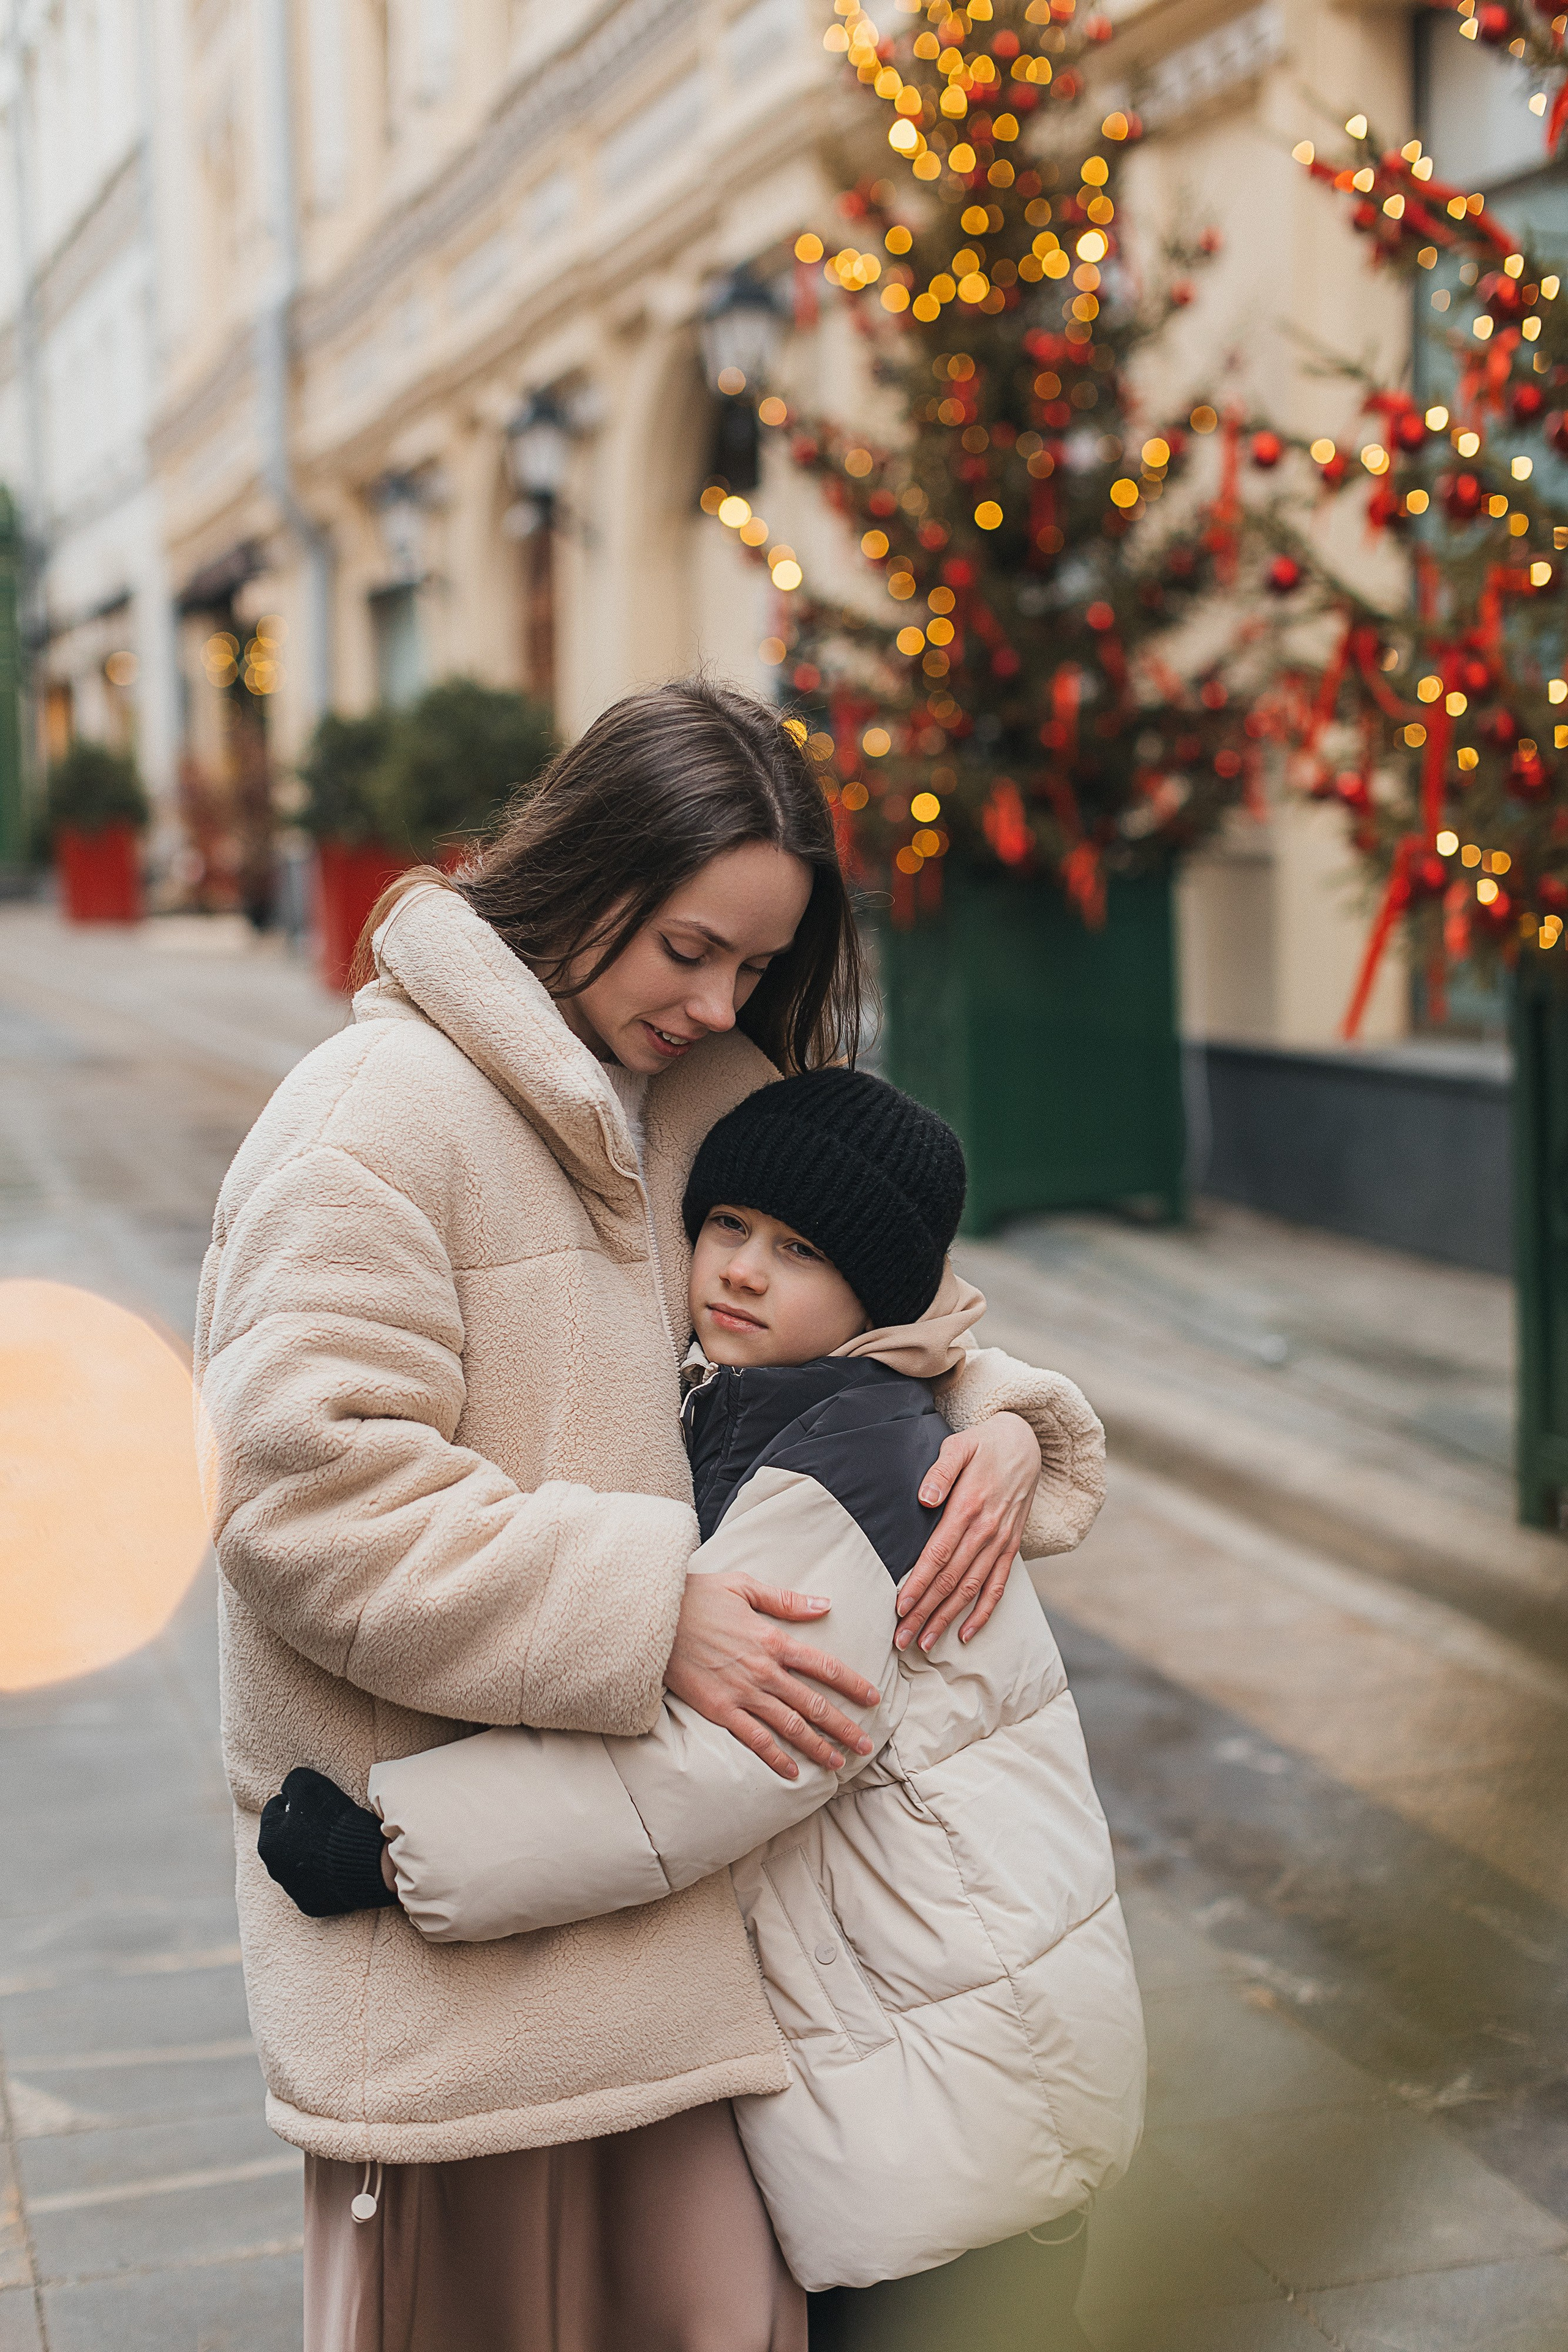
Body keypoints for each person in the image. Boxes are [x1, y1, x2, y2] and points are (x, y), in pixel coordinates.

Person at [194, 678, 1107, 2352]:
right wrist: (647, 1605)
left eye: (755, 967)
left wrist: (998, 1420)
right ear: (586, 871)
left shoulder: (693, 1087)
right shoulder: (367, 1118)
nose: (716, 1003)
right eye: (690, 949)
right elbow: (304, 1498)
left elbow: (872, 1301)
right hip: (466, 1995)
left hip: (689, 1971)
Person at [260, 1069, 1145, 2349]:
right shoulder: (788, 1406)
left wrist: (388, 1849)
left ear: (876, 1298)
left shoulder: (848, 1463)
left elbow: (718, 1761)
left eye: (798, 1251)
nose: (740, 1269)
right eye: (727, 1224)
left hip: (957, 2067)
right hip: (950, 2032)